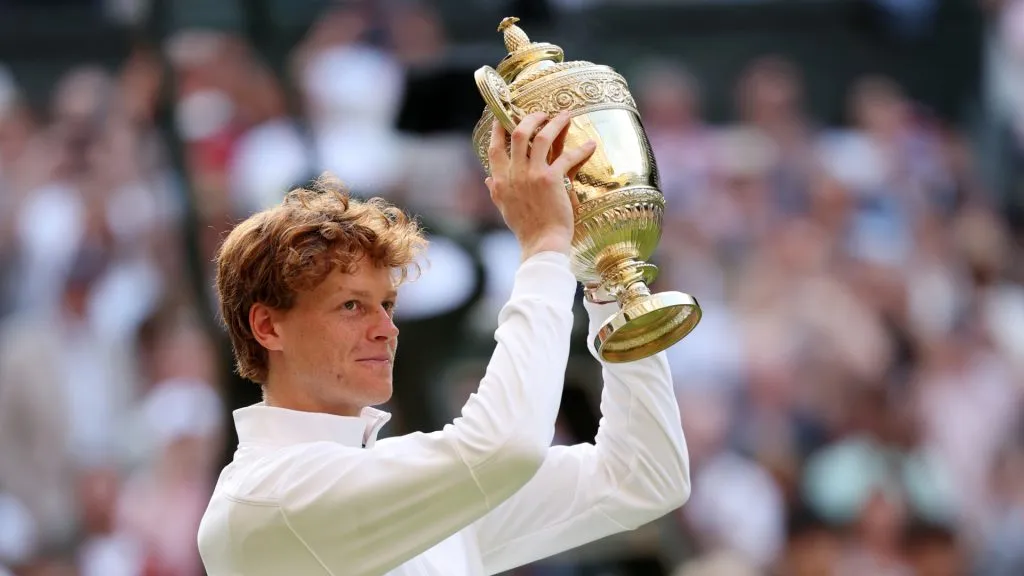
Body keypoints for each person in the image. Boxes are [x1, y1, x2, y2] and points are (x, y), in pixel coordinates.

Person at [196, 111, 692, 575]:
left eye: (387, 305)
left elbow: (644, 478)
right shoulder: (266, 499)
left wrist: (607, 275)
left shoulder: (401, 479)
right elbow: (507, 449)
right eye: (350, 306)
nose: (385, 330)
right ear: (268, 327)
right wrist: (545, 247)